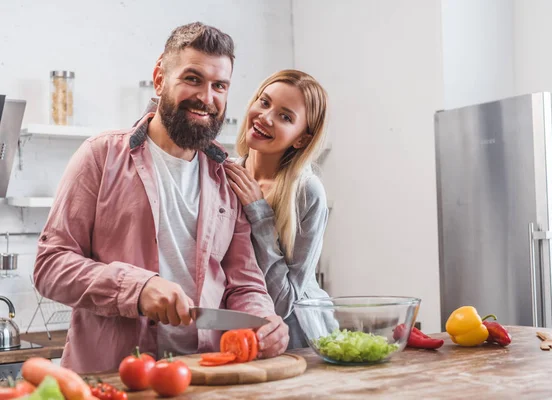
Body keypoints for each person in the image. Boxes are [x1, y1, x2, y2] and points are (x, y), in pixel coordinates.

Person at [33, 22, 289, 374]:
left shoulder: (228, 179)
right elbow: (50, 265)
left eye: (220, 86)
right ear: (159, 78)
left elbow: (244, 283)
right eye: (193, 79)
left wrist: (263, 318)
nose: (207, 97)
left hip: (204, 376)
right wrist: (137, 288)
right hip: (113, 380)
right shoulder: (100, 156)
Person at [224, 70, 330, 348]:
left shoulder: (307, 192)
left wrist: (259, 213)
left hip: (296, 340)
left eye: (285, 117)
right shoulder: (223, 175)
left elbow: (284, 302)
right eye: (264, 102)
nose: (265, 117)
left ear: (301, 139)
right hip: (236, 332)